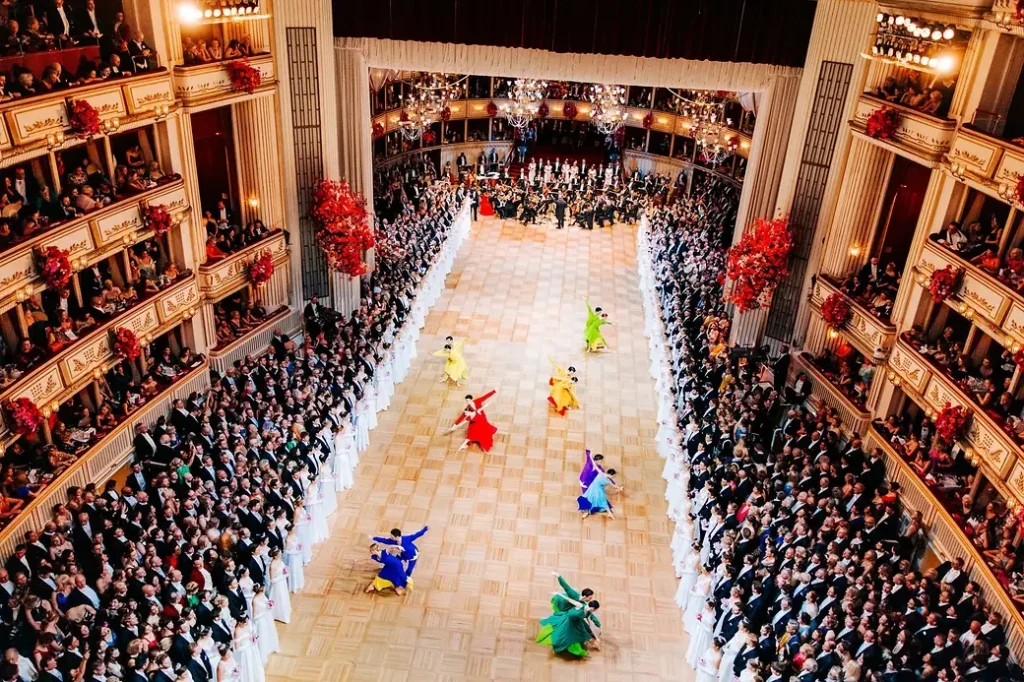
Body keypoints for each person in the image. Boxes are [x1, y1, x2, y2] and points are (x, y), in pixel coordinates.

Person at [535, 594, 601, 657]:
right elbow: (569, 600)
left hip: (577, 622)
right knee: (565, 635)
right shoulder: (581, 605)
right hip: (568, 621)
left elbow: (591, 625)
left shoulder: (588, 612)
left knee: (585, 634)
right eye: (595, 609)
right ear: (593, 608)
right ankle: (559, 647)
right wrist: (558, 594)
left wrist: (596, 637)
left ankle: (595, 644)